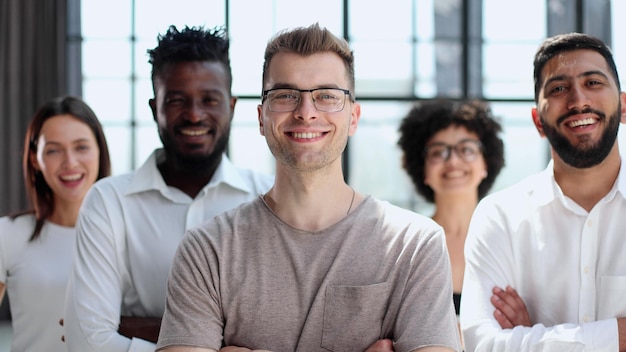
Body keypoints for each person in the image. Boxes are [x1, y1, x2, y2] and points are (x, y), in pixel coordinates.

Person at [156, 23, 461, 352]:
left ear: (353, 117)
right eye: (285, 95)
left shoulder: (414, 244)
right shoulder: (208, 250)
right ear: (261, 118)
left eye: (327, 96)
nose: (306, 112)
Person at [62, 25, 273, 352]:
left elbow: (283, 333)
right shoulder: (108, 202)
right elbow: (86, 342)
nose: (193, 114)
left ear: (230, 107)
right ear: (154, 108)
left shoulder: (268, 200)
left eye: (209, 99)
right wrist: (218, 340)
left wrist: (133, 327)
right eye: (176, 100)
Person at [460, 32, 626, 352]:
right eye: (559, 88)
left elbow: (505, 345)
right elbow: (484, 344)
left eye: (593, 82)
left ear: (623, 104)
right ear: (538, 121)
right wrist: (615, 336)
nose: (579, 101)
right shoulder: (500, 217)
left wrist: (532, 337)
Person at [0, 96, 111, 352]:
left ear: (99, 151)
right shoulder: (7, 235)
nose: (70, 162)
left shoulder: (127, 236)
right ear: (34, 159)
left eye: (81, 147)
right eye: (53, 150)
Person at [397, 99, 505, 317]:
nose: (453, 161)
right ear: (422, 168)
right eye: (438, 152)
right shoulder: (407, 246)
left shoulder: (508, 240)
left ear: (486, 163)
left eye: (467, 149)